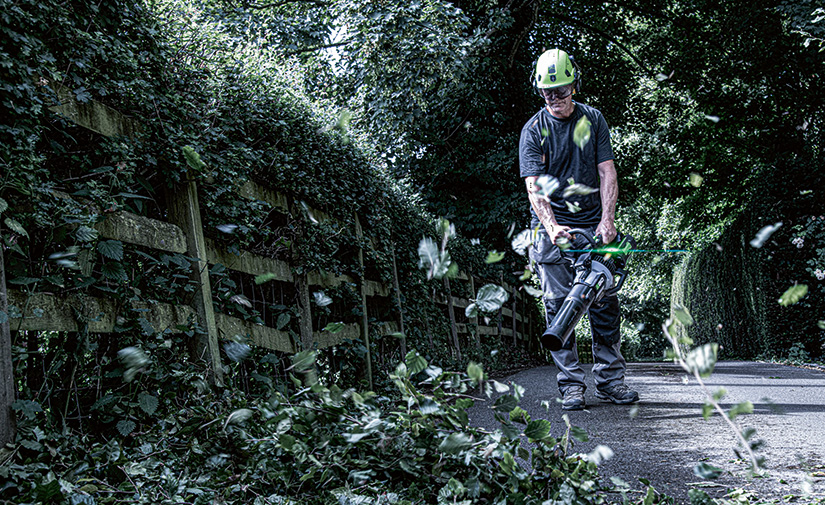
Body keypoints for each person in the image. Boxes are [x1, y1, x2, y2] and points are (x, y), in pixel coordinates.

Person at [519, 48, 639, 411]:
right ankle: (571, 385)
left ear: (574, 84)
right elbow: (534, 185)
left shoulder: (594, 119)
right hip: (552, 230)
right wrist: (552, 226)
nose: (555, 98)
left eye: (562, 90)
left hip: (593, 225)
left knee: (604, 304)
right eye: (548, 92)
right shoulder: (533, 131)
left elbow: (606, 171)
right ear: (540, 91)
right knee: (560, 308)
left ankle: (610, 380)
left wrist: (607, 220)